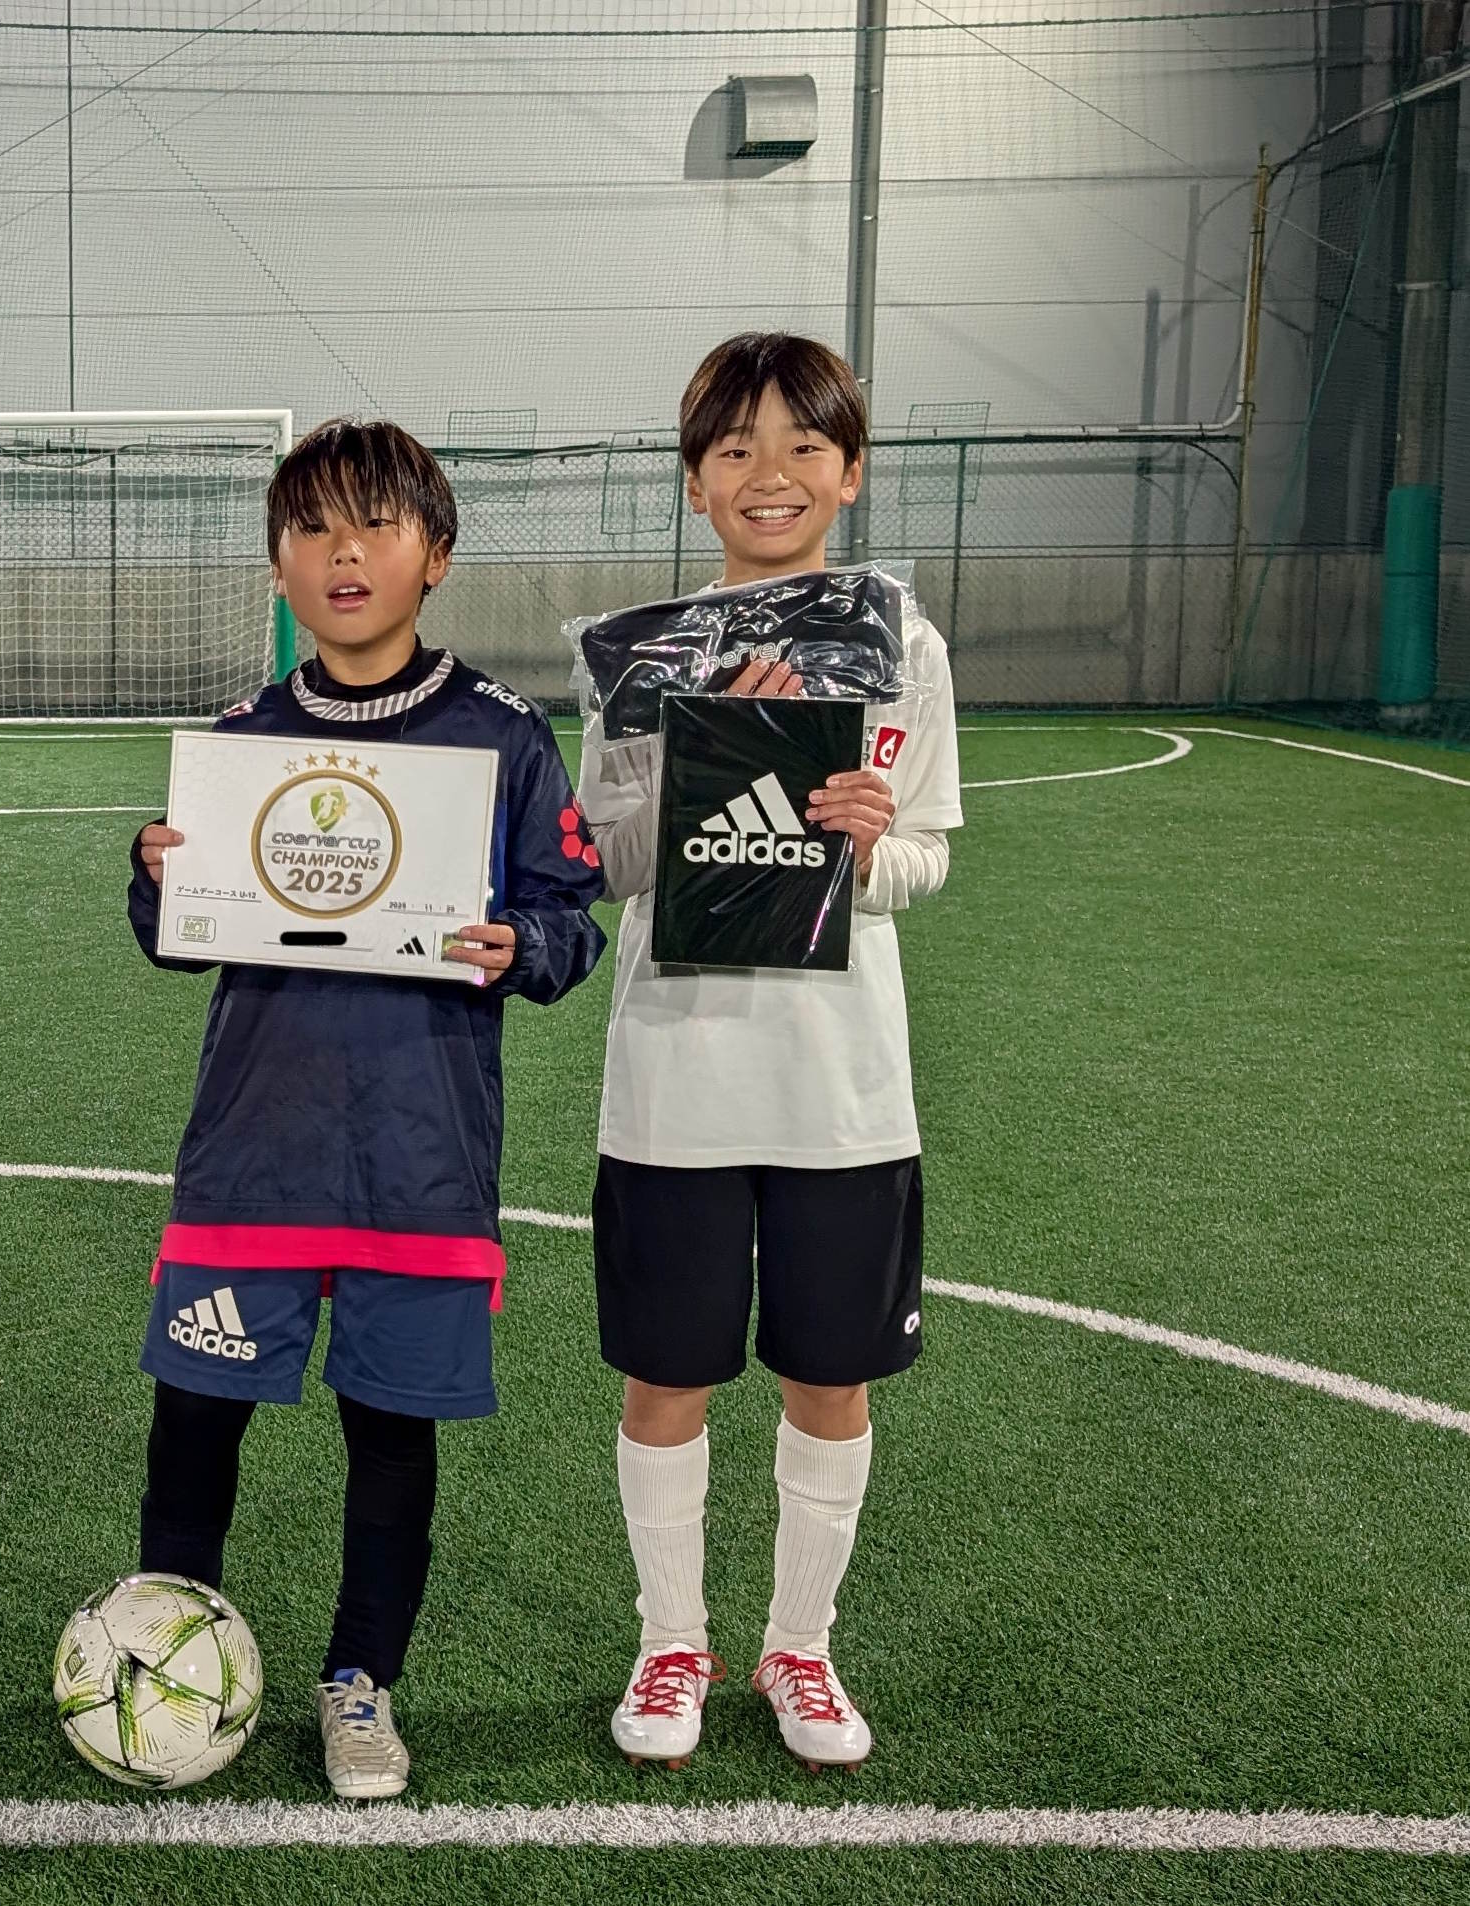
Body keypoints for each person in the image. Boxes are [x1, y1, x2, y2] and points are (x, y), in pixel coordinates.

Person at [125, 418, 606, 1799]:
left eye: (375, 525)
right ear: (277, 563)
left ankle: (359, 1682)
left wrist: (523, 942)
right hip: (254, 1149)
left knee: (390, 1434)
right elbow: (178, 937)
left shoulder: (501, 736)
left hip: (419, 1156)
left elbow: (570, 918)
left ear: (432, 555)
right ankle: (166, 1659)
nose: (344, 553)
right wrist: (155, 875)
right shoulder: (238, 744)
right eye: (313, 528)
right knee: (195, 1420)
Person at [577, 332, 962, 1773]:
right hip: (674, 1073)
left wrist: (864, 847)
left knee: (829, 1377)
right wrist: (703, 761)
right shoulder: (640, 657)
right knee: (665, 1376)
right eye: (734, 446)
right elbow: (607, 861)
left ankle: (800, 1643)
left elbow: (924, 853)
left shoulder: (901, 644)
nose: (770, 472)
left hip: (839, 1087)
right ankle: (668, 1640)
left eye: (805, 444)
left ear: (850, 473)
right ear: (695, 482)